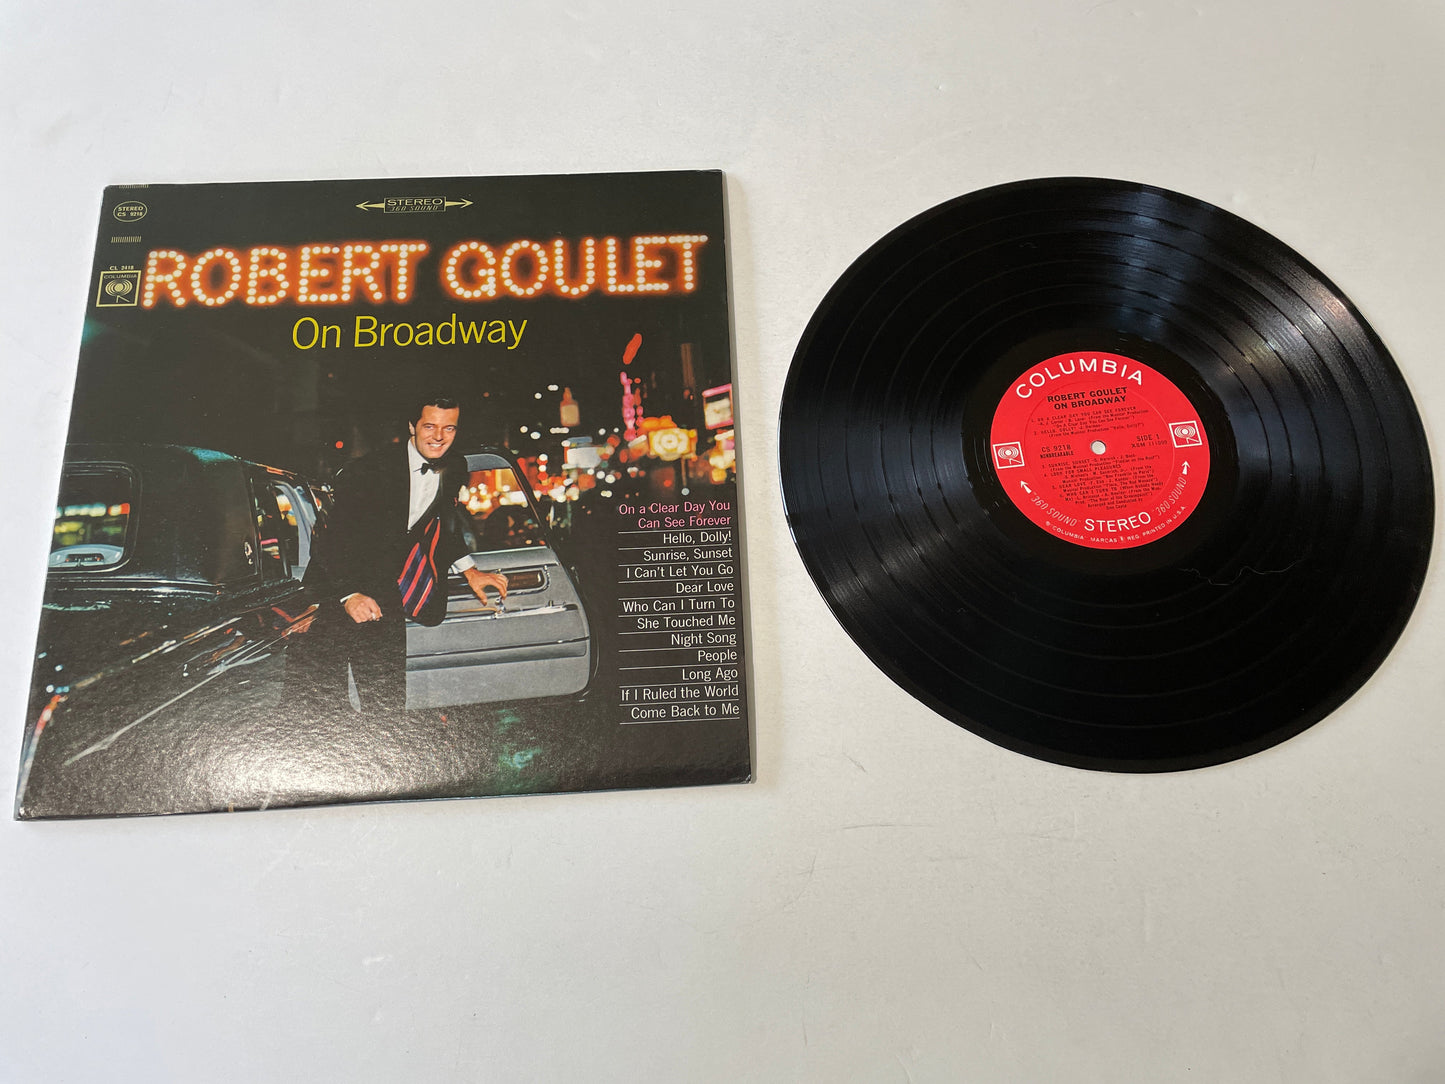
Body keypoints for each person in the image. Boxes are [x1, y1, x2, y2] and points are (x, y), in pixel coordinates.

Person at [290, 395, 508, 718]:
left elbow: (442, 526)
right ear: (412, 426)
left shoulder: (455, 467)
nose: (439, 437)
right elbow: (329, 539)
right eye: (429, 426)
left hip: (386, 592)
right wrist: (349, 594)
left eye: (449, 428)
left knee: (387, 703)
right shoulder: (370, 469)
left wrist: (470, 570)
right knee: (323, 708)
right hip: (333, 589)